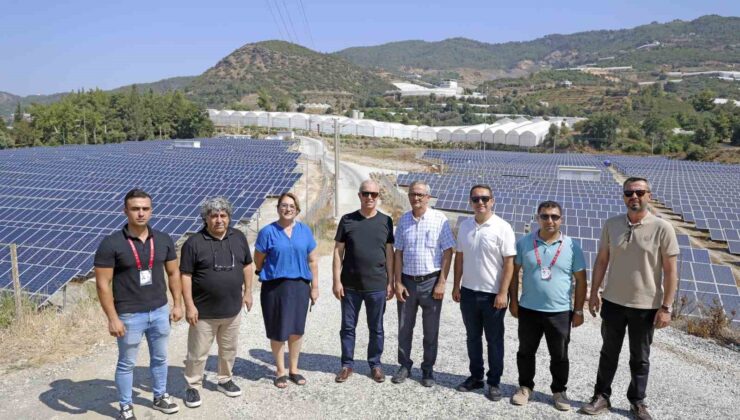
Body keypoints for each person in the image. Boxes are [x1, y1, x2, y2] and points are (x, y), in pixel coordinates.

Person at [580, 177, 679, 420]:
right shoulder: (612, 224)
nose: (633, 196)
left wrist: (666, 307)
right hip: (613, 301)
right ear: (623, 196)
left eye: (639, 192)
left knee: (640, 357)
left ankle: (637, 402)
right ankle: (601, 396)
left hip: (646, 305)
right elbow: (602, 260)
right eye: (628, 193)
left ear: (649, 196)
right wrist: (594, 293)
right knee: (608, 353)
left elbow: (671, 270)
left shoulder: (662, 228)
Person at [94, 188, 182, 420]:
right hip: (129, 315)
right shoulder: (111, 243)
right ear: (125, 211)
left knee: (160, 358)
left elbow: (173, 273)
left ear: (151, 211)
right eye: (135, 209)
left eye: (145, 208)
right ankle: (125, 406)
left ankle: (160, 395)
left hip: (160, 310)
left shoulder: (163, 239)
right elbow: (103, 284)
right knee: (126, 363)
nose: (140, 213)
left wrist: (177, 304)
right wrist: (113, 318)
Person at [509, 201, 587, 411]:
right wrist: (513, 302)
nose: (550, 220)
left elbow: (581, 280)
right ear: (538, 218)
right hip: (529, 309)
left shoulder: (572, 246)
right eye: (545, 216)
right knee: (525, 351)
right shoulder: (524, 243)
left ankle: (559, 391)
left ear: (561, 219)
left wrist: (578, 310)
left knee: (560, 355)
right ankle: (525, 387)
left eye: (554, 216)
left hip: (560, 312)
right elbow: (513, 274)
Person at [180, 197, 254, 408]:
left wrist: (248, 292)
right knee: (197, 353)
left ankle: (225, 379)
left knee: (229, 349)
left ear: (229, 218)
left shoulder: (238, 237)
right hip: (203, 312)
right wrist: (189, 305)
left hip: (232, 310)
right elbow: (185, 275)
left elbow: (248, 266)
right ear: (206, 219)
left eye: (223, 215)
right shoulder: (194, 243)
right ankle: (193, 386)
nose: (219, 220)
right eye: (214, 216)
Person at [452, 184, 516, 401]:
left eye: (485, 198)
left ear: (492, 200)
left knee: (494, 340)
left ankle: (494, 381)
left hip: (493, 295)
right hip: (469, 292)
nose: (481, 202)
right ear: (470, 201)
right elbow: (459, 257)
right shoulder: (465, 226)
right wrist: (456, 285)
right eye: (476, 199)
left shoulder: (503, 227)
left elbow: (509, 263)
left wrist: (502, 293)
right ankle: (476, 376)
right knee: (472, 338)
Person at [392, 180, 455, 387]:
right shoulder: (403, 221)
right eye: (412, 194)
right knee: (404, 328)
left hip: (431, 282)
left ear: (428, 197)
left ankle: (427, 369)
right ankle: (404, 365)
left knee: (431, 330)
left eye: (420, 195)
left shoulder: (440, 220)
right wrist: (398, 282)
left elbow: (448, 252)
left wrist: (442, 282)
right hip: (407, 282)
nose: (416, 198)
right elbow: (398, 253)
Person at [254, 192, 319, 389]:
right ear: (278, 208)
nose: (287, 209)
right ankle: (280, 371)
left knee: (296, 329)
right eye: (284, 205)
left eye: (291, 206)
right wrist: (264, 271)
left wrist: (315, 287)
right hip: (275, 287)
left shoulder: (305, 231)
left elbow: (313, 260)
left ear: (297, 209)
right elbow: (258, 258)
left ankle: (294, 369)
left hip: (300, 286)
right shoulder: (267, 232)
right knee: (277, 328)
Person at [332, 180, 395, 384]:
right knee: (348, 327)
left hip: (377, 285)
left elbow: (389, 253)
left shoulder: (386, 221)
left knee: (376, 328)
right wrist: (336, 281)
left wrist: (391, 281)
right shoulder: (347, 220)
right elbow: (337, 251)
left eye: (374, 194)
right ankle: (347, 365)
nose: (370, 197)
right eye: (366, 193)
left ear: (378, 197)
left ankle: (375, 364)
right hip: (350, 285)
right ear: (359, 195)